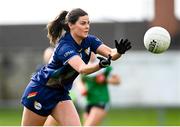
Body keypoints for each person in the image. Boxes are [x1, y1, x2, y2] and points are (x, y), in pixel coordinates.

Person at [21, 8, 131, 126]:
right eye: (83, 23)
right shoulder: (65, 46)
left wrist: (119, 51)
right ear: (70, 25)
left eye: (88, 23)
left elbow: (111, 53)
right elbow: (82, 69)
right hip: (42, 91)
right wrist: (99, 65)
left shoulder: (90, 40)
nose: (87, 26)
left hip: (61, 93)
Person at [78, 53, 120, 126]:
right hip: (89, 101)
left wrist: (105, 80)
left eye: (92, 51)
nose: (90, 54)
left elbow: (118, 81)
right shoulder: (84, 66)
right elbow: (80, 81)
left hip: (101, 100)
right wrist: (82, 89)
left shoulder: (104, 65)